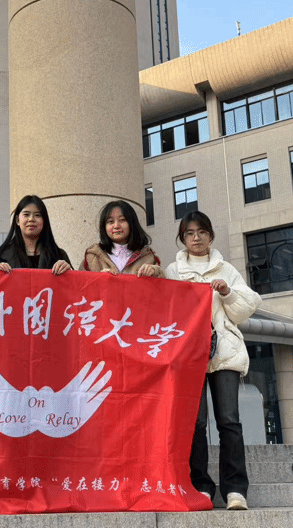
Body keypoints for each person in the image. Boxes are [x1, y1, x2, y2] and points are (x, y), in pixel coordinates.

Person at [164, 211, 261, 511]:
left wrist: (227, 293)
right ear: (182, 238)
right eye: (190, 233)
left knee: (229, 421)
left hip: (224, 353)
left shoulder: (226, 269)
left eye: (201, 232)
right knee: (195, 423)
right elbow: (164, 310)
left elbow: (245, 309)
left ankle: (235, 490)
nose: (196, 238)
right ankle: (200, 487)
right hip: (188, 355)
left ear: (211, 235)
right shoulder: (173, 271)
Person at [0, 195, 72, 274]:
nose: (31, 219)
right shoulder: (0, 256)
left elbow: (74, 283)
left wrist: (69, 272)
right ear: (17, 220)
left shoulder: (59, 255)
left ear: (44, 221)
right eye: (26, 214)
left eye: (37, 215)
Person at [80, 200, 162, 277]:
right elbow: (79, 284)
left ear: (132, 223)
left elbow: (163, 284)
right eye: (110, 221)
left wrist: (154, 272)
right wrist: (98, 279)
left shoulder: (147, 256)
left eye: (122, 220)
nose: (116, 226)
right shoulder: (93, 257)